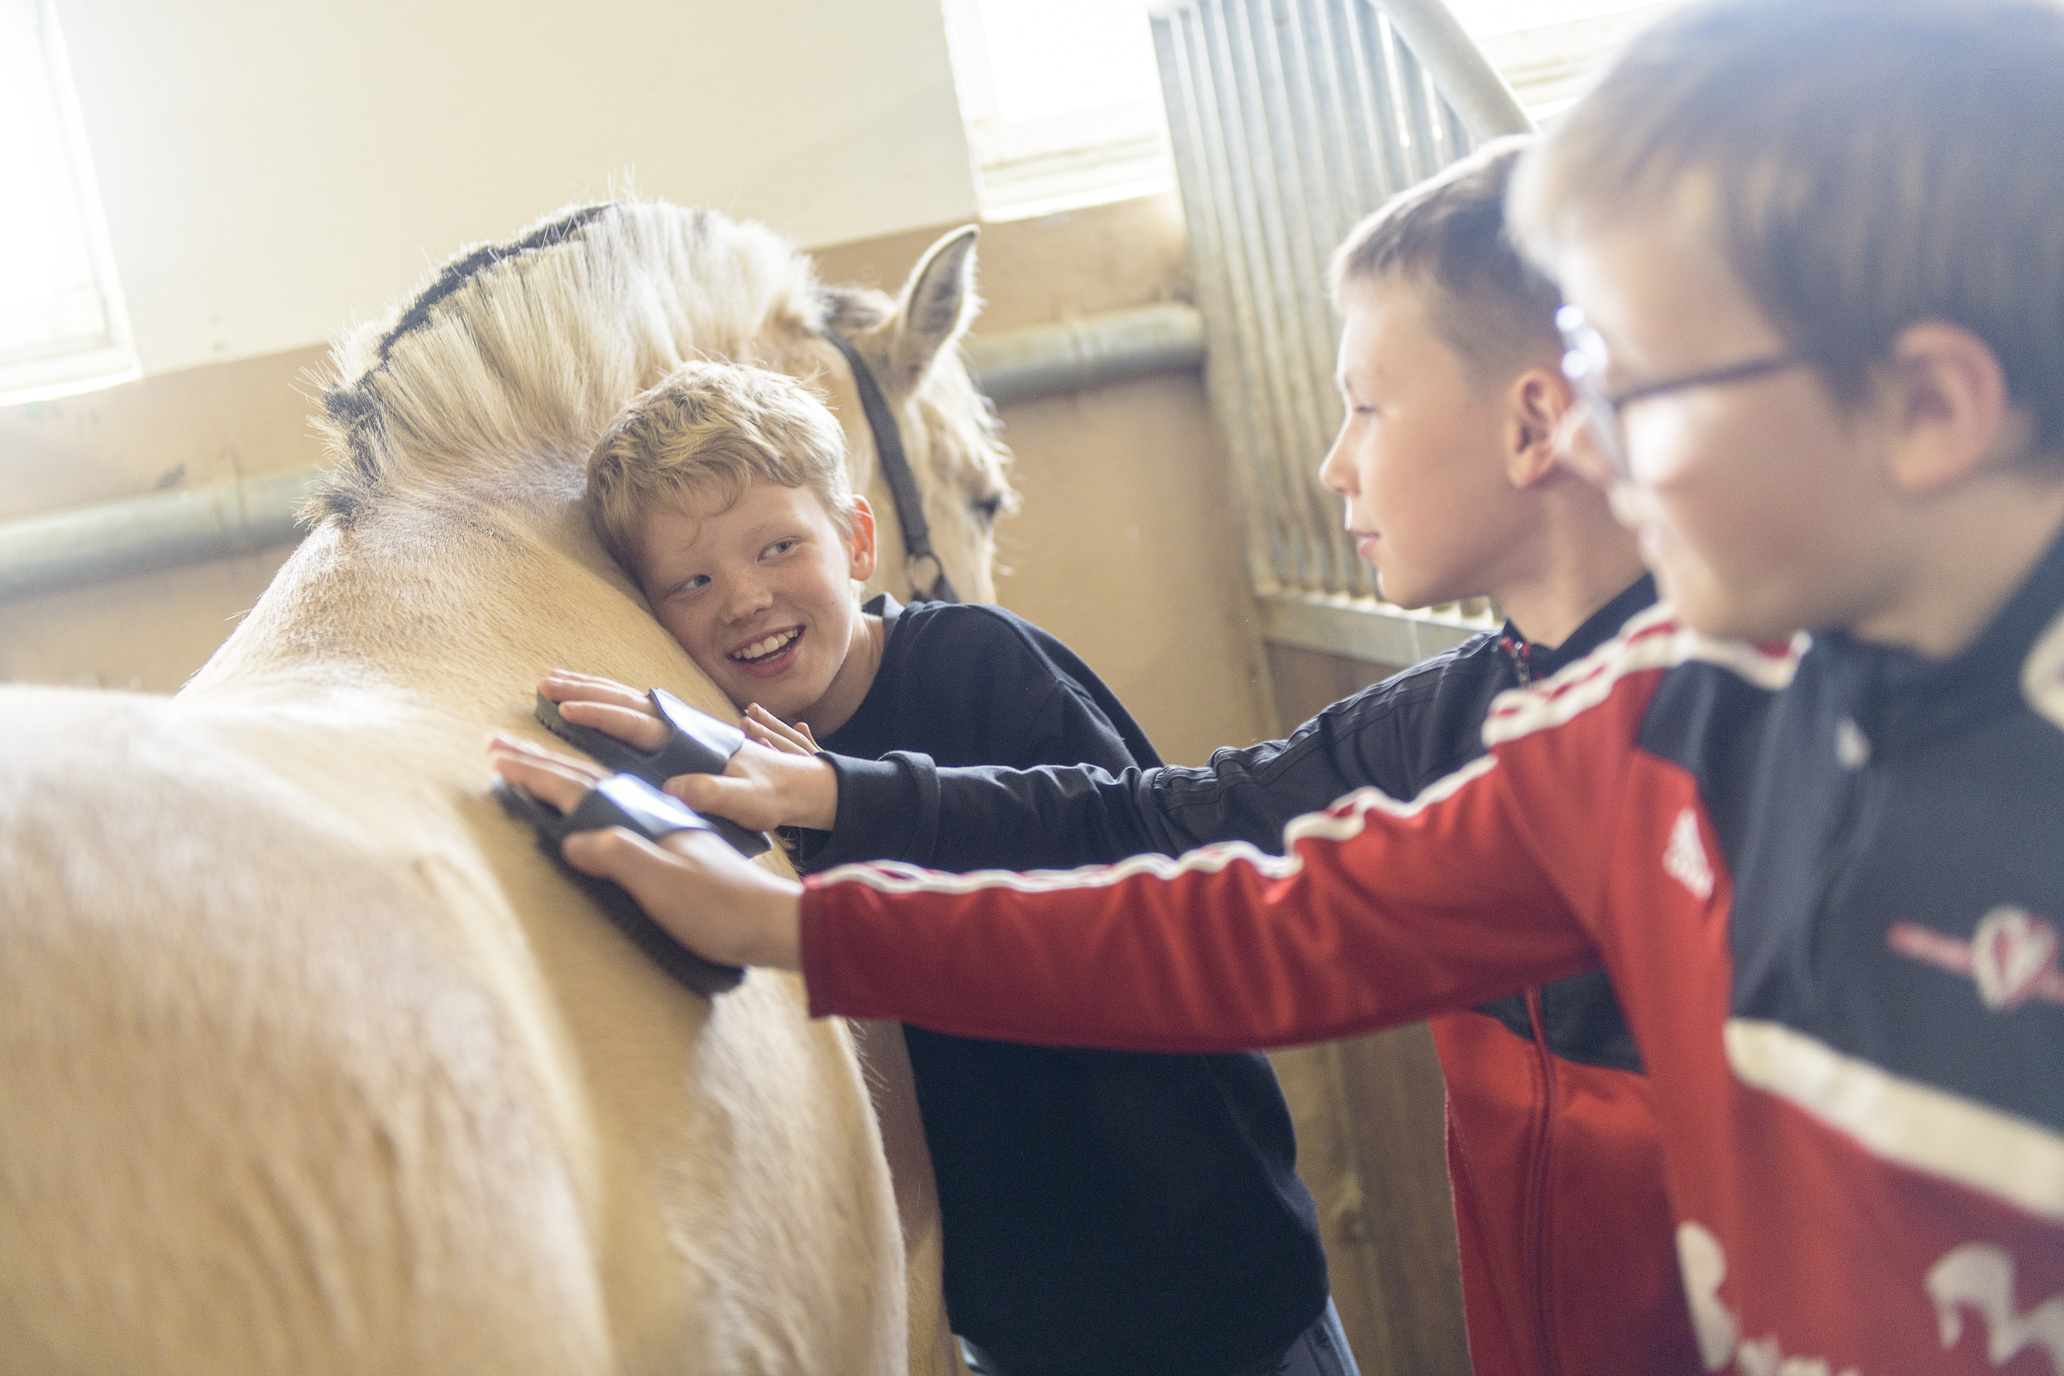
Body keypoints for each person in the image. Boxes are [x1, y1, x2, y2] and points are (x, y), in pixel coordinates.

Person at [493, 2, 2064, 1371]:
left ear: (1928, 409)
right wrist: (793, 907)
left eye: (1653, 387)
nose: (1607, 436)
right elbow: (1235, 909)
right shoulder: (1618, 740)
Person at [509, 140, 1694, 1376]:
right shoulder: (1452, 727)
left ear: (1536, 420)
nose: (1335, 458)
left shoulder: (1709, 741)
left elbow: (1209, 930)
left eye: (1367, 406)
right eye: (692, 581)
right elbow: (1167, 850)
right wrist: (829, 796)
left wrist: (799, 921)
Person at [526, 359, 1349, 1376]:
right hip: (1018, 1323)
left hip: (1211, 1282)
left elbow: (1140, 863)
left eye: (778, 546)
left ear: (857, 538)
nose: (742, 597)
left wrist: (840, 790)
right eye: (690, 582)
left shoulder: (980, 663)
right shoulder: (741, 771)